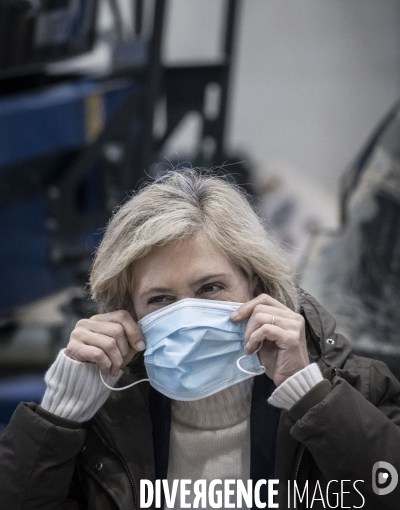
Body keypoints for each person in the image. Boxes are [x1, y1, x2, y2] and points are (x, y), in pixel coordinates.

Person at [0, 168, 399, 510]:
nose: (186, 314)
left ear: (255, 284)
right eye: (160, 299)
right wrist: (58, 418)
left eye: (210, 288)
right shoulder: (104, 420)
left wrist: (309, 394)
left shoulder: (355, 386)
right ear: (127, 314)